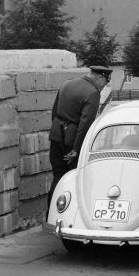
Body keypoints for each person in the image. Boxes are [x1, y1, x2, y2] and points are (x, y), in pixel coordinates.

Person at [47, 65, 112, 211]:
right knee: (75, 179)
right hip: (73, 142)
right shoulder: (92, 93)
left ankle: (51, 214)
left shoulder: (67, 83)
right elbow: (85, 124)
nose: (104, 87)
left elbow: (55, 112)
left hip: (56, 137)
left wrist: (57, 131)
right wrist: (76, 149)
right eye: (105, 82)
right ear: (100, 77)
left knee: (58, 176)